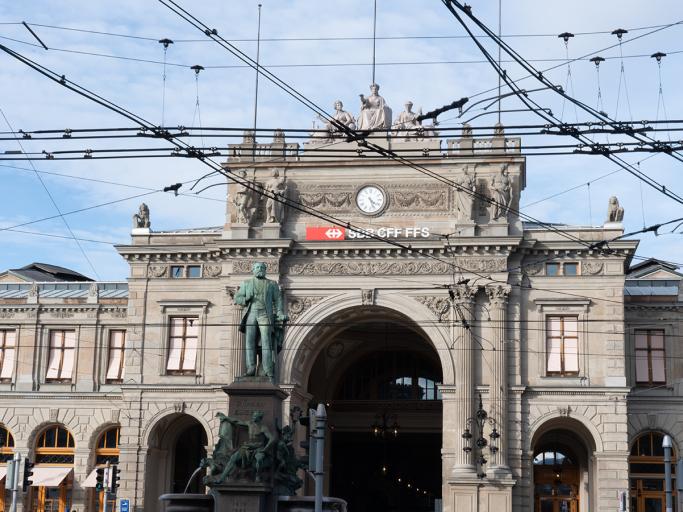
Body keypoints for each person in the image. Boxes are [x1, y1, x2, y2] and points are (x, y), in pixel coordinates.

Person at [234, 262, 287, 378]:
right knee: (249, 342)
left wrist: (279, 312)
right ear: (253, 269)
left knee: (266, 342)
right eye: (257, 267)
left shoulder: (271, 284)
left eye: (262, 267)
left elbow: (278, 300)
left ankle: (267, 369)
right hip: (251, 313)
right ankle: (251, 368)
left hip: (265, 314)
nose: (260, 269)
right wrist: (246, 298)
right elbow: (237, 298)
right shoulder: (246, 283)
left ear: (265, 270)